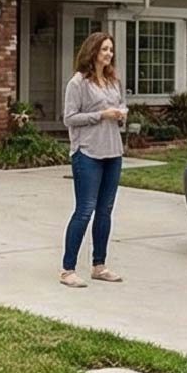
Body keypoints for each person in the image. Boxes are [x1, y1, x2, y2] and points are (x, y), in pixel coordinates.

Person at [59, 31, 128, 288]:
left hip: (113, 152)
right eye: (104, 49)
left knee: (105, 210)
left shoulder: (113, 81)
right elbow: (69, 118)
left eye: (111, 49)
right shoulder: (77, 83)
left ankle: (99, 266)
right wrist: (101, 115)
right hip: (87, 152)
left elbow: (120, 107)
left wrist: (120, 115)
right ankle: (68, 270)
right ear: (92, 52)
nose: (108, 54)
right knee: (85, 209)